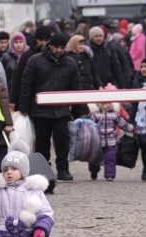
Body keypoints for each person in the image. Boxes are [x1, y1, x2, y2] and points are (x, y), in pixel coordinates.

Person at [19, 33, 84, 181]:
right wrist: (24, 108)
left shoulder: (70, 63)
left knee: (63, 140)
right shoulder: (35, 61)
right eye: (57, 47)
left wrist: (78, 108)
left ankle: (63, 168)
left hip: (61, 110)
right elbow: (26, 85)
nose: (59, 50)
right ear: (50, 45)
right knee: (42, 142)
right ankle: (43, 169)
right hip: (40, 110)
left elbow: (76, 87)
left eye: (62, 47)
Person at [88, 98, 134, 180]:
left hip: (111, 141)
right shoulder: (95, 115)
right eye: (105, 103)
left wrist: (131, 128)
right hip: (97, 142)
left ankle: (110, 175)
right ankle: (93, 171)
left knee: (110, 158)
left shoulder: (114, 115)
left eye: (109, 103)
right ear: (100, 105)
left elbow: (122, 124)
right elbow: (90, 126)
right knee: (94, 159)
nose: (108, 105)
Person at [9, 26, 51, 111]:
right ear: (36, 39)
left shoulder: (53, 55)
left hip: (49, 99)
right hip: (31, 99)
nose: (43, 43)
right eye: (41, 40)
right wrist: (13, 100)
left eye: (46, 40)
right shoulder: (27, 55)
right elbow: (17, 78)